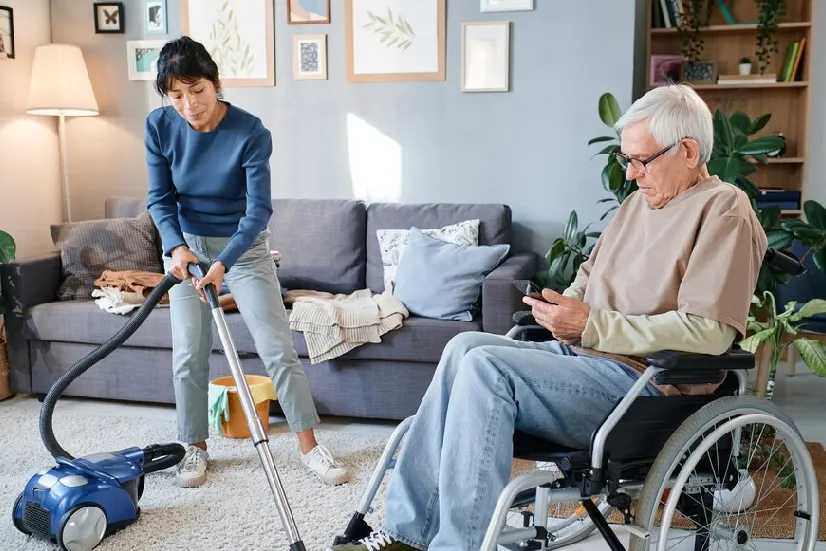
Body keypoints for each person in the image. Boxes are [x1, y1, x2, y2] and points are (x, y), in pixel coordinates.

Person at [326, 83, 768, 550]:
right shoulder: (638, 203)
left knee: (485, 367)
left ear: (688, 151)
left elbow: (711, 332)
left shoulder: (725, 209)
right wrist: (563, 307)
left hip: (645, 386)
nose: (632, 174)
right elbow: (590, 273)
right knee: (462, 347)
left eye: (643, 160)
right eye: (627, 161)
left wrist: (592, 324)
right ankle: (406, 535)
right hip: (584, 362)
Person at [144, 36, 349, 489]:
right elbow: (159, 199)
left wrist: (226, 263)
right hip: (186, 250)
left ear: (216, 83)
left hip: (245, 246)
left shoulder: (250, 132)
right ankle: (193, 448)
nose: (189, 105)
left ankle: (310, 448)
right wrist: (178, 248)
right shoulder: (159, 126)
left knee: (277, 348)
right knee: (188, 353)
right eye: (176, 95)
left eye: (196, 91)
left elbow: (258, 211)